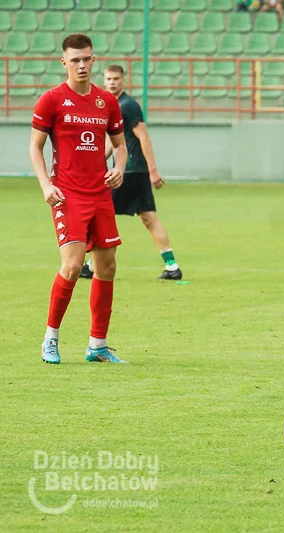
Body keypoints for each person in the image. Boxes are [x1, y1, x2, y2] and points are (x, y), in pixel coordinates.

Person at [32, 33, 128, 365]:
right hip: (68, 195)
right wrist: (46, 184)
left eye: (86, 58)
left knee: (107, 267)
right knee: (73, 266)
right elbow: (35, 146)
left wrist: (120, 167)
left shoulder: (107, 101)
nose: (82, 65)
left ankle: (97, 346)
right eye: (75, 60)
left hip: (100, 194)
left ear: (94, 60)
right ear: (64, 63)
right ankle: (50, 339)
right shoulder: (52, 100)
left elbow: (120, 143)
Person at [79, 65, 182, 281]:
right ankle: (172, 266)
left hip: (130, 172)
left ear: (123, 81)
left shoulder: (128, 105)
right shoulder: (113, 105)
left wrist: (153, 170)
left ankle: (90, 265)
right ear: (104, 81)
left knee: (101, 213)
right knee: (148, 218)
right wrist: (97, 162)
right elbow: (114, 142)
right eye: (109, 78)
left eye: (116, 78)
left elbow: (143, 136)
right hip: (131, 171)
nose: (112, 82)